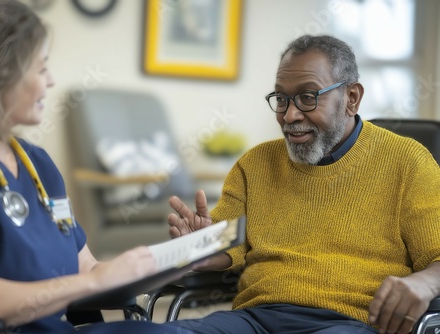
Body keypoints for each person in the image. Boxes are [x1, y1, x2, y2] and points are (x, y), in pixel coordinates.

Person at [0, 1, 194, 333]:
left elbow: (86, 269)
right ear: (0, 73)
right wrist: (89, 284)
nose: (50, 81)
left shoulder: (37, 163)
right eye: (41, 68)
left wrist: (169, 262)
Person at [166, 34, 440, 334]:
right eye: (281, 99)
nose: (290, 115)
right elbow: (230, 245)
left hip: (351, 323)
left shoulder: (408, 162)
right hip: (254, 319)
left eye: (308, 97)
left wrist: (425, 281)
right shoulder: (255, 164)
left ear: (351, 98)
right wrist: (202, 246)